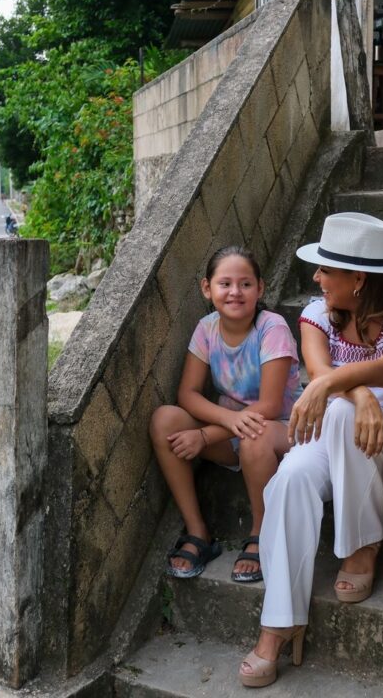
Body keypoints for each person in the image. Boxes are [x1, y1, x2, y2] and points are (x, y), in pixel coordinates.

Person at [239, 213, 383, 688]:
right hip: (335, 435)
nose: (316, 278)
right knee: (290, 479)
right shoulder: (317, 314)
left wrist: (352, 394)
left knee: (342, 412)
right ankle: (278, 625)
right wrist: (360, 394)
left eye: (326, 269)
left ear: (359, 279)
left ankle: (362, 545)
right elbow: (319, 369)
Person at [150, 246, 302, 584]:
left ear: (260, 288)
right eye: (225, 284)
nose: (235, 292)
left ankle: (261, 533)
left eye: (245, 284)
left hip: (279, 431)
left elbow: (269, 406)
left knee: (254, 437)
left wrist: (206, 435)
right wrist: (227, 421)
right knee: (165, 420)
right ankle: (198, 532)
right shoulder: (207, 329)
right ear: (207, 288)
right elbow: (187, 393)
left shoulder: (272, 328)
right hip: (231, 430)